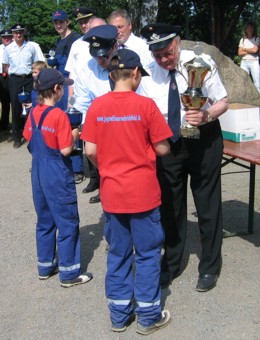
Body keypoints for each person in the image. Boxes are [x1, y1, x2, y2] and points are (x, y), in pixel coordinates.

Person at [81, 48, 173, 335]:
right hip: (143, 193)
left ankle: (119, 316)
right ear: (135, 73)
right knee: (146, 253)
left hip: (113, 194)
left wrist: (107, 166)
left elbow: (90, 151)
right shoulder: (147, 106)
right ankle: (148, 316)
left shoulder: (97, 107)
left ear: (111, 74)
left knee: (118, 253)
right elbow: (162, 147)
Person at [140, 23, 229, 292]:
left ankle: (210, 266)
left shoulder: (200, 62)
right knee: (170, 205)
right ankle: (173, 262)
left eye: (167, 53)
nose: (164, 60)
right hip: (168, 144)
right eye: (158, 56)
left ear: (177, 43)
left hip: (204, 139)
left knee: (207, 204)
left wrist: (206, 115)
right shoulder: (148, 71)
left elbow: (223, 100)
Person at [23, 68, 93, 288]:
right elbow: (65, 150)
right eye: (62, 86)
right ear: (56, 89)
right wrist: (75, 132)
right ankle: (69, 273)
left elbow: (28, 138)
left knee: (45, 220)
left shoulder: (34, 112)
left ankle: (45, 265)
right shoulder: (59, 115)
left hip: (38, 171)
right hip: (56, 172)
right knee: (67, 221)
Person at [72, 24, 118, 203]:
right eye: (96, 55)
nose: (101, 60)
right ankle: (105, 191)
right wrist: (82, 126)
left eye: (105, 55)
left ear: (114, 46)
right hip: (101, 126)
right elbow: (82, 101)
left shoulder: (129, 62)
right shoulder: (87, 68)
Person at [2, 23, 45, 148]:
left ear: (24, 32)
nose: (18, 35)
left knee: (32, 105)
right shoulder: (8, 48)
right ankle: (17, 136)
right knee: (15, 107)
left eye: (20, 32)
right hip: (15, 79)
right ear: (13, 34)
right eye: (16, 33)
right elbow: (6, 66)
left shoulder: (31, 46)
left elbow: (37, 62)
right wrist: (12, 76)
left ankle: (31, 134)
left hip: (28, 78)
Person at [50, 10, 81, 111]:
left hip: (73, 84)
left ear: (67, 22)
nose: (58, 26)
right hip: (60, 84)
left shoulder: (76, 39)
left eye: (61, 22)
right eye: (56, 23)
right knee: (59, 111)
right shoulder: (57, 42)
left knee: (72, 108)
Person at [238, 22, 260, 92]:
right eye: (248, 28)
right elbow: (239, 53)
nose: (250, 29)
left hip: (254, 62)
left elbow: (255, 50)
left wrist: (244, 49)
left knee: (257, 82)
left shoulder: (257, 38)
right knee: (242, 81)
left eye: (251, 28)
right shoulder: (242, 40)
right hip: (244, 62)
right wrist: (250, 50)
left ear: (253, 29)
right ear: (246, 29)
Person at [0, 29, 12, 132]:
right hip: (1, 77)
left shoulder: (15, 48)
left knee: (16, 101)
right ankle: (4, 123)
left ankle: (20, 124)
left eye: (8, 37)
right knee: (4, 101)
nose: (6, 39)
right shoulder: (0, 49)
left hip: (13, 76)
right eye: (4, 37)